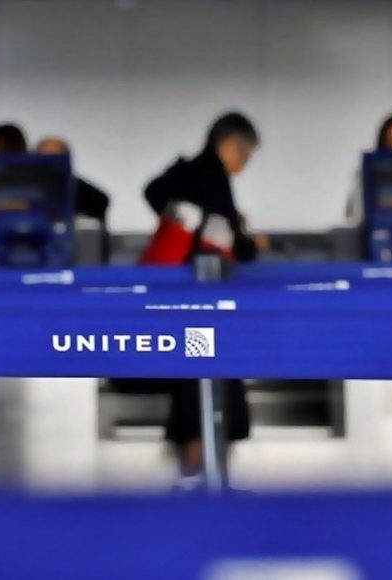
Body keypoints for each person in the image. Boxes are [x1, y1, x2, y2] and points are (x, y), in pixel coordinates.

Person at [136, 112, 262, 488]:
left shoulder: (186, 173)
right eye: (246, 155)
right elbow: (237, 245)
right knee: (207, 386)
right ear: (230, 145)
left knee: (195, 384)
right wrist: (248, 239)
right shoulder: (211, 177)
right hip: (204, 308)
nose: (244, 165)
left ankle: (197, 477)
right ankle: (204, 483)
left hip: (181, 305)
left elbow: (153, 191)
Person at [36, 136, 112, 262]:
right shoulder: (23, 196)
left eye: (56, 159)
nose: (51, 166)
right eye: (45, 160)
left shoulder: (93, 198)